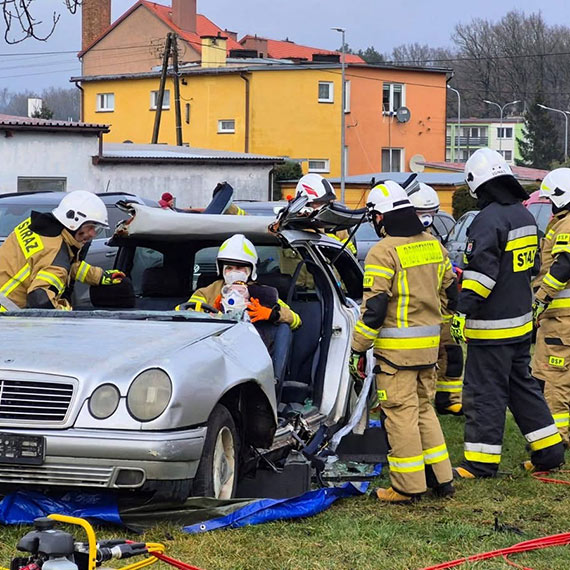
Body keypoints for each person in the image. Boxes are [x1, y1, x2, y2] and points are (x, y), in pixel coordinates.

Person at [450, 148, 565, 478]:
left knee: (485, 393)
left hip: (491, 328)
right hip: (519, 324)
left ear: (477, 184)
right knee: (523, 389)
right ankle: (549, 452)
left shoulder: (488, 220)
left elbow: (481, 276)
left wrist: (462, 310)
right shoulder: (524, 216)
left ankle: (480, 463)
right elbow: (535, 267)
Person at [350, 180, 456, 503]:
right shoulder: (433, 245)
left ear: (380, 218)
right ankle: (442, 479)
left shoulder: (383, 252)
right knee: (425, 411)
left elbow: (375, 309)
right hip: (429, 351)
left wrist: (357, 348)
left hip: (397, 356)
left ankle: (407, 488)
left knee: (400, 415)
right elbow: (451, 293)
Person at [0, 190, 125, 311]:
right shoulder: (56, 255)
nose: (93, 234)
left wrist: (99, 276)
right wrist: (66, 310)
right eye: (91, 227)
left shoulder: (38, 226)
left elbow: (68, 266)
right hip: (7, 316)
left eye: (96, 229)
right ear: (73, 222)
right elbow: (41, 300)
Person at [407, 182, 464, 416]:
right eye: (422, 214)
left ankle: (448, 399)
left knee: (452, 355)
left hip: (440, 312)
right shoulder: (400, 243)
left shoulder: (435, 244)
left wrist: (454, 309)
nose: (426, 219)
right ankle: (418, 401)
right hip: (415, 316)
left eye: (430, 214)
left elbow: (448, 279)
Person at [178, 234, 301, 331]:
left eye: (239, 268)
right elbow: (182, 313)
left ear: (250, 270)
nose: (234, 273)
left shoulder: (263, 293)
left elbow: (296, 320)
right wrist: (209, 314)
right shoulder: (207, 292)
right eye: (229, 268)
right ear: (222, 270)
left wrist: (272, 314)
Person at [531, 167, 570, 449]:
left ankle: (557, 440)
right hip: (559, 318)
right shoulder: (562, 223)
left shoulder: (567, 226)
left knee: (554, 377)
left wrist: (541, 297)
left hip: (561, 318)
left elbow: (564, 264)